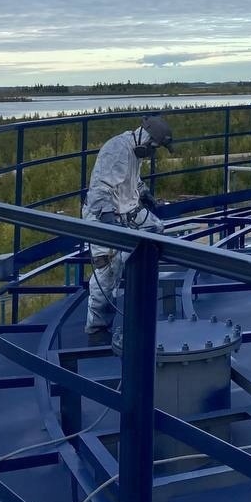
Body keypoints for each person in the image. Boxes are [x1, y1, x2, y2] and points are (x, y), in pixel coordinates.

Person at [83, 115, 173, 337]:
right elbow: (99, 190)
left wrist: (144, 193)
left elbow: (131, 179)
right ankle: (98, 326)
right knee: (106, 270)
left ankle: (136, 274)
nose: (153, 153)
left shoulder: (135, 151)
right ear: (146, 140)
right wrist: (111, 226)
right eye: (154, 148)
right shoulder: (116, 150)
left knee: (155, 230)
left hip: (128, 210)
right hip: (104, 215)